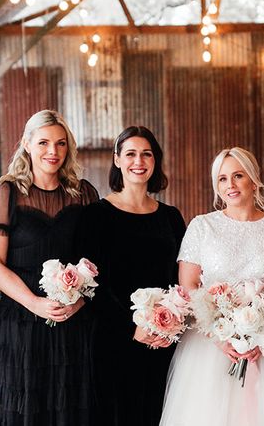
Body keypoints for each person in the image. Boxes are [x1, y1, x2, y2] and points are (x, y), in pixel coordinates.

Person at [159, 147, 264, 426]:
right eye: (223, 179)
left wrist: (262, 335)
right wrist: (220, 335)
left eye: (238, 175)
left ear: (254, 179)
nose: (231, 185)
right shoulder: (201, 226)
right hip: (209, 346)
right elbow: (189, 286)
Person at [0, 110, 99, 425]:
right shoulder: (7, 191)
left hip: (72, 317)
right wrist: (34, 303)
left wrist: (79, 300)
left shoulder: (83, 193)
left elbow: (94, 259)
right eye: (44, 142)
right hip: (21, 318)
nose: (52, 151)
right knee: (24, 408)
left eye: (61, 144)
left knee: (68, 405)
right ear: (27, 144)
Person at [81, 125, 186, 426]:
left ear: (155, 161)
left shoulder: (171, 217)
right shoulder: (95, 216)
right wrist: (132, 327)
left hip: (163, 339)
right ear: (117, 159)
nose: (138, 161)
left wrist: (170, 323)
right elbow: (92, 285)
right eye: (130, 154)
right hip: (114, 339)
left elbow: (181, 277)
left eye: (146, 154)